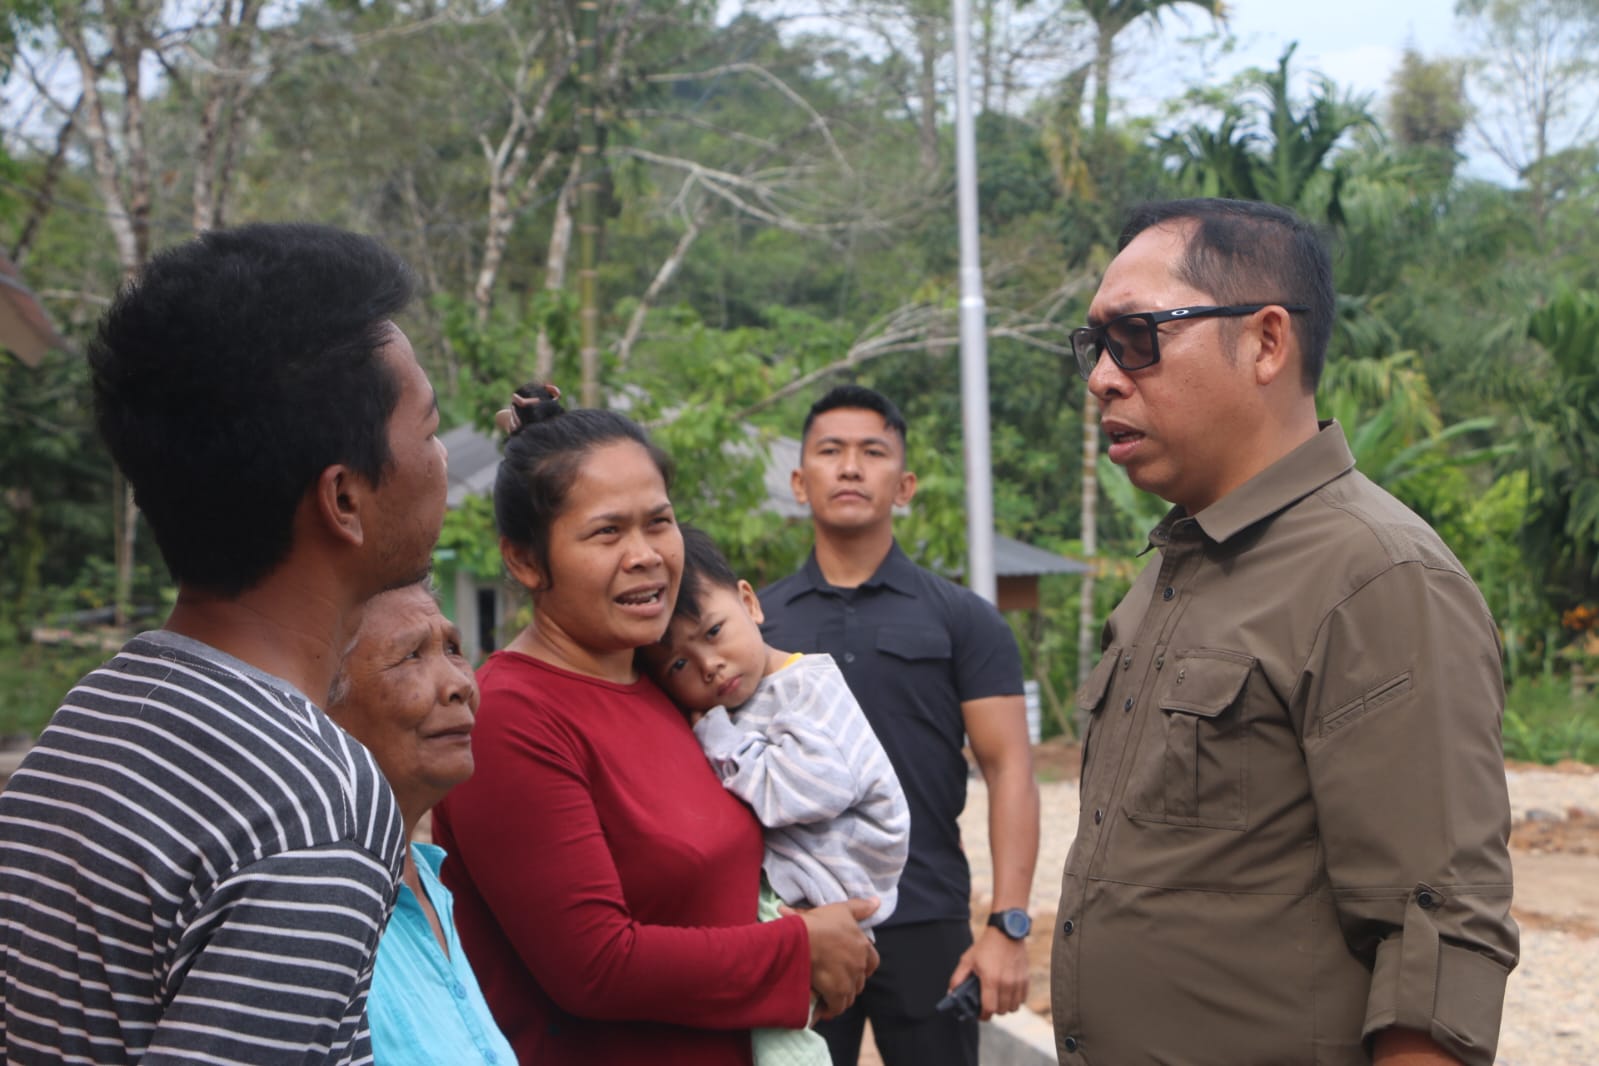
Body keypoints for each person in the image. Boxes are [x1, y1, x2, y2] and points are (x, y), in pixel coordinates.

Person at [1053, 197, 1518, 1066]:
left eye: (1138, 338)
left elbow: (1434, 928)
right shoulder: (1170, 569)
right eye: (1097, 346)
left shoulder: (1376, 576)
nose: (1103, 377)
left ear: (1267, 341)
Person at [0, 223, 446, 1063]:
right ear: (344, 500)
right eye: (428, 430)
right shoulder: (313, 807)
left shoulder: (95, 713)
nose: (442, 459)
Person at [431, 384, 880, 1066]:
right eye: (607, 532)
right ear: (525, 560)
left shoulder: (668, 682)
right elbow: (593, 964)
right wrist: (797, 951)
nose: (645, 554)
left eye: (658, 522)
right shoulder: (512, 716)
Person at [760, 385, 1042, 1066]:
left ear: (905, 485)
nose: (850, 468)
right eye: (830, 451)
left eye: (872, 452)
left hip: (926, 912)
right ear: (799, 482)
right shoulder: (754, 624)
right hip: (796, 921)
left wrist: (1007, 925)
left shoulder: (963, 619)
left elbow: (1009, 767)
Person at [640, 525, 912, 1066]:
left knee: (772, 1026)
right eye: (679, 664)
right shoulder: (748, 699)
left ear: (749, 603)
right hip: (811, 879)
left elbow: (813, 789)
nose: (708, 664)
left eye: (713, 631)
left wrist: (717, 739)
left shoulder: (804, 687)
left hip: (833, 878)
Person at [325, 581, 515, 1066]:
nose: (460, 685)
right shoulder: (320, 908)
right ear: (322, 697)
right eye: (411, 655)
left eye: (452, 649)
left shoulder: (427, 879)